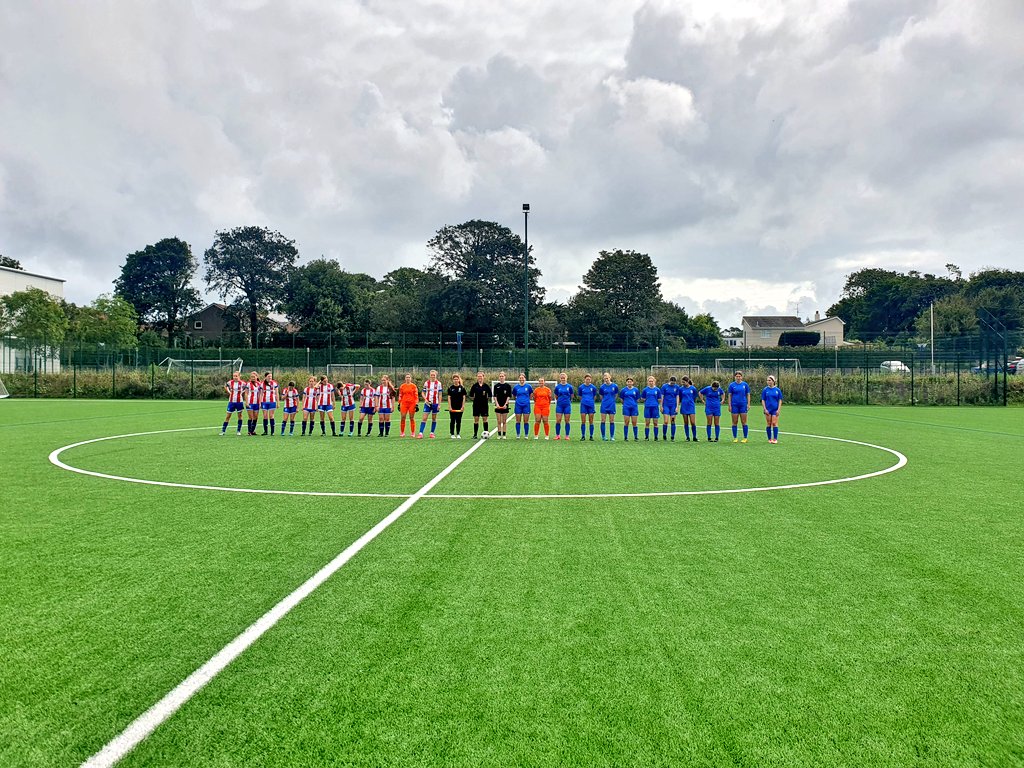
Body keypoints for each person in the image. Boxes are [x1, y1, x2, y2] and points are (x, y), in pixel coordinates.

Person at [417, 369, 443, 439]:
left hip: (435, 403)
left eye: (434, 375)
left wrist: (439, 404)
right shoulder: (426, 383)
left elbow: (440, 394)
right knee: (424, 418)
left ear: (436, 375)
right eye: (431, 375)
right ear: (430, 375)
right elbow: (423, 392)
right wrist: (425, 399)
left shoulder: (439, 384)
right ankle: (420, 433)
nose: (432, 376)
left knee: (434, 418)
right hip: (428, 404)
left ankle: (432, 433)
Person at [727, 370, 751, 443]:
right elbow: (730, 395)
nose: (738, 377)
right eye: (737, 376)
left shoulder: (745, 385)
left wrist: (748, 404)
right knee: (735, 422)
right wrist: (729, 405)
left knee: (744, 422)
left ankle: (745, 437)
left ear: (742, 377)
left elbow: (748, 394)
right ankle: (735, 437)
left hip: (743, 405)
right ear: (735, 377)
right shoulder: (731, 385)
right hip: (734, 405)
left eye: (739, 376)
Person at [221, 371, 246, 435]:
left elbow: (247, 388)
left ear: (239, 376)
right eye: (234, 376)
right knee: (228, 416)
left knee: (240, 416)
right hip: (231, 402)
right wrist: (229, 392)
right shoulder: (230, 382)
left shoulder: (243, 383)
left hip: (239, 401)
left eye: (236, 376)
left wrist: (242, 392)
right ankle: (223, 431)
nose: (235, 377)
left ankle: (238, 431)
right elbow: (225, 386)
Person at [468, 372, 492, 439]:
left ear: (483, 377)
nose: (480, 378)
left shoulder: (486, 386)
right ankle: (475, 434)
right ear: (477, 377)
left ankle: (486, 433)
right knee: (476, 419)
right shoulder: (474, 386)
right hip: (476, 405)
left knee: (485, 419)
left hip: (484, 405)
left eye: (481, 376)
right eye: (478, 376)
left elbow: (489, 395)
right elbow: (471, 395)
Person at [761, 375, 784, 444]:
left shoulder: (777, 390)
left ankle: (775, 439)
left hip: (775, 409)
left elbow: (780, 400)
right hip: (768, 409)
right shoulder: (765, 390)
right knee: (768, 423)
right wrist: (765, 409)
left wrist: (778, 409)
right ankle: (769, 439)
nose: (768, 382)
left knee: (774, 423)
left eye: (769, 380)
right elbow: (763, 400)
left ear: (773, 381)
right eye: (767, 380)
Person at [553, 373, 574, 440]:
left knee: (567, 420)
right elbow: (556, 396)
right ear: (560, 378)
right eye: (561, 377)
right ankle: (557, 435)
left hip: (567, 405)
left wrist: (568, 401)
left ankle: (567, 435)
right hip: (559, 405)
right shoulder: (557, 387)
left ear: (566, 378)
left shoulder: (570, 387)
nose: (563, 379)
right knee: (558, 420)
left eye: (564, 377)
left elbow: (572, 396)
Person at [511, 374, 533, 439]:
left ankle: (526, 435)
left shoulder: (528, 386)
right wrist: (518, 400)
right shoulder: (516, 387)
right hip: (518, 405)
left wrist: (526, 400)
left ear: (525, 379)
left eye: (522, 378)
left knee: (526, 421)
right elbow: (514, 395)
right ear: (518, 379)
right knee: (518, 421)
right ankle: (518, 434)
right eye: (520, 378)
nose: (521, 379)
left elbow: (531, 394)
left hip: (526, 405)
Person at [640, 375, 662, 440]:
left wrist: (655, 403)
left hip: (655, 407)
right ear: (648, 382)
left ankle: (656, 437)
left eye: (652, 381)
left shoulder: (657, 390)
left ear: (654, 381)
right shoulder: (645, 390)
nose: (651, 382)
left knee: (655, 423)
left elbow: (659, 399)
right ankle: (647, 437)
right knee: (647, 423)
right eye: (649, 381)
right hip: (647, 407)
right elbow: (643, 398)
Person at [598, 372, 619, 441]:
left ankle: (612, 436)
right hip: (604, 405)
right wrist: (605, 401)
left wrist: (612, 401)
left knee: (612, 421)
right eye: (605, 378)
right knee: (603, 420)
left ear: (610, 377)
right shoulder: (602, 387)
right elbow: (601, 396)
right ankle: (603, 436)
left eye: (607, 378)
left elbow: (616, 395)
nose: (606, 379)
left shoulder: (615, 386)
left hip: (612, 405)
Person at [577, 374, 598, 441]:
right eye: (587, 379)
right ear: (584, 379)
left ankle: (591, 436)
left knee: (591, 421)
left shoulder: (593, 387)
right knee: (583, 421)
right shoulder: (581, 387)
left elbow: (594, 396)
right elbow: (580, 396)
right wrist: (584, 401)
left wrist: (590, 402)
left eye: (589, 379)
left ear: (590, 380)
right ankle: (583, 436)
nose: (588, 380)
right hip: (583, 405)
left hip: (591, 406)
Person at [678, 376, 699, 442]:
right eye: (682, 382)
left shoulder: (693, 388)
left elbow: (695, 397)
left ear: (687, 382)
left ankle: (694, 437)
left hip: (691, 406)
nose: (683, 383)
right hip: (684, 406)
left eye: (684, 382)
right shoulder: (681, 389)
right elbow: (680, 398)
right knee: (686, 422)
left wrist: (691, 402)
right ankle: (687, 437)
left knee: (693, 422)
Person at [493, 372, 513, 439]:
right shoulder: (496, 386)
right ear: (499, 377)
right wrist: (497, 404)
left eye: (502, 376)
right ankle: (499, 434)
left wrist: (505, 404)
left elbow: (508, 396)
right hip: (498, 406)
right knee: (499, 421)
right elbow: (495, 396)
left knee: (504, 421)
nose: (501, 377)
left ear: (505, 377)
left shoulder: (508, 386)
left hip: (505, 406)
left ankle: (504, 434)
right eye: (500, 376)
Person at [660, 376, 680, 441]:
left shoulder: (677, 387)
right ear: (669, 381)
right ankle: (664, 435)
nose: (672, 384)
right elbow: (662, 396)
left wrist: (677, 406)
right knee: (665, 421)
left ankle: (672, 436)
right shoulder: (664, 386)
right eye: (671, 383)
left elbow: (677, 397)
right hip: (666, 405)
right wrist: (661, 406)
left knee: (673, 421)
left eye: (674, 383)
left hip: (673, 406)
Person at [619, 377, 640, 441]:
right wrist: (626, 404)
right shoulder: (623, 390)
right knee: (626, 422)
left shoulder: (636, 390)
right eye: (628, 382)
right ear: (626, 383)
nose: (629, 383)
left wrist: (633, 403)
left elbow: (638, 399)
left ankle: (635, 437)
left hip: (634, 408)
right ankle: (626, 437)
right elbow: (621, 399)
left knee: (634, 422)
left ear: (633, 382)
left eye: (630, 382)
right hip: (626, 408)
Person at [447, 373, 467, 438]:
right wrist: (449, 406)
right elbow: (449, 397)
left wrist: (463, 406)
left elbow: (464, 397)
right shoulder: (450, 388)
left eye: (457, 379)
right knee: (452, 420)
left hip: (459, 407)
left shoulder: (462, 388)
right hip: (452, 407)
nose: (455, 380)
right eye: (454, 379)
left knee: (458, 421)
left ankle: (458, 433)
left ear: (459, 380)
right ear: (453, 380)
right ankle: (452, 434)